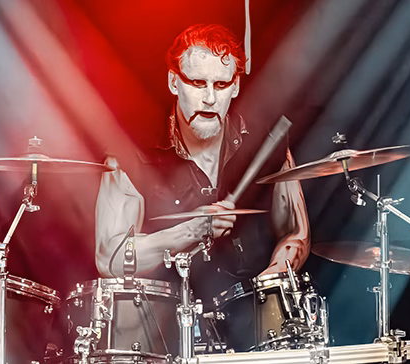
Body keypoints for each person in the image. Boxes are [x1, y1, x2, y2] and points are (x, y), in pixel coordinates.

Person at [94, 24, 310, 303]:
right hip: (168, 320)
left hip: (252, 314)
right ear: (174, 82)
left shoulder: (266, 142)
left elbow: (296, 232)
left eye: (221, 85)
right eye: (197, 83)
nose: (209, 98)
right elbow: (108, 259)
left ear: (235, 86)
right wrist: (191, 231)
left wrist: (272, 280)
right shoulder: (130, 152)